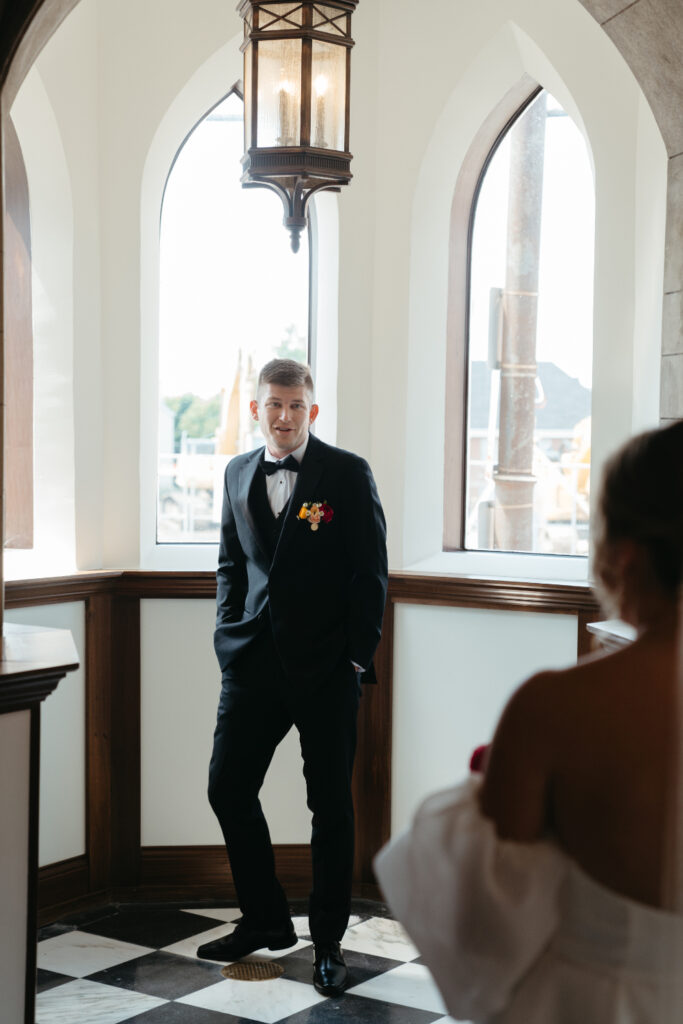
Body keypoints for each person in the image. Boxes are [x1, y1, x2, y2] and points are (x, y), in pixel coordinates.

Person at [375, 419, 683, 1022]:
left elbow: (481, 918)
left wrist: (477, 796)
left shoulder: (557, 706)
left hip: (597, 1001)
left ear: (624, 554)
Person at [198, 358, 388, 997]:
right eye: (273, 405)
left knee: (329, 806)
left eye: (296, 406)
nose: (284, 417)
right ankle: (265, 918)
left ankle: (328, 942)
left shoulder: (347, 473)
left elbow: (372, 574)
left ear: (313, 410)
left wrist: (356, 661)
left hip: (326, 669)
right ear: (257, 410)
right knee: (227, 788)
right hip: (251, 663)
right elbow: (230, 562)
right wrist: (228, 635)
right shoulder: (236, 472)